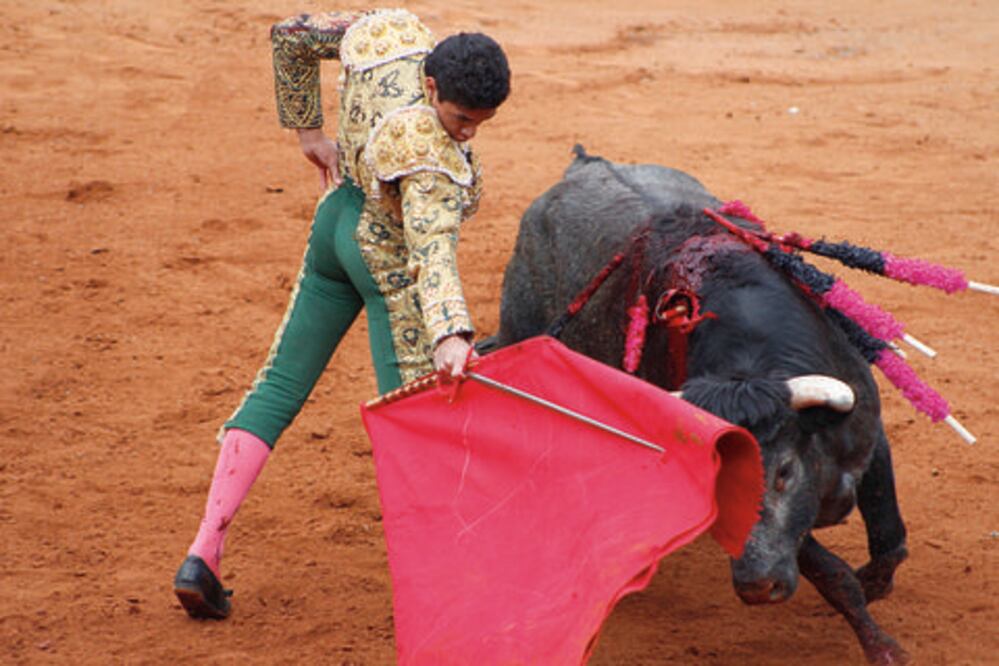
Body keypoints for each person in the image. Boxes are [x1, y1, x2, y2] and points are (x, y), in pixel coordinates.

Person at [173, 8, 511, 620]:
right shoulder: (430, 156)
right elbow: (431, 251)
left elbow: (295, 36)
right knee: (415, 423)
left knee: (278, 385)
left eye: (480, 123)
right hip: (384, 258)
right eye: (462, 119)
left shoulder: (391, 33)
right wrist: (451, 334)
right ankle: (437, 592)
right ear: (434, 87)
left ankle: (203, 553)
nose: (467, 135)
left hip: (335, 224)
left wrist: (309, 134)